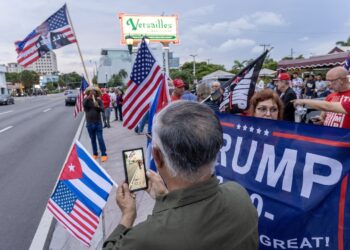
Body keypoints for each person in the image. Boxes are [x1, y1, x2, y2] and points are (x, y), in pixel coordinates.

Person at [103, 101, 258, 250]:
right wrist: (164, 197)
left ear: (156, 156)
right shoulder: (239, 195)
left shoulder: (146, 238)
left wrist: (128, 215)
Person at [83, 87, 108, 162]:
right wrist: (88, 98)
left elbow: (103, 110)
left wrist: (98, 106)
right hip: (89, 123)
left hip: (98, 123)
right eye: (91, 92)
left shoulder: (99, 100)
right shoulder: (86, 100)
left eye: (94, 92)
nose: (92, 93)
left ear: (96, 93)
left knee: (100, 138)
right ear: (88, 93)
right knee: (93, 139)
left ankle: (103, 154)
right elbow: (84, 105)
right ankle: (95, 153)